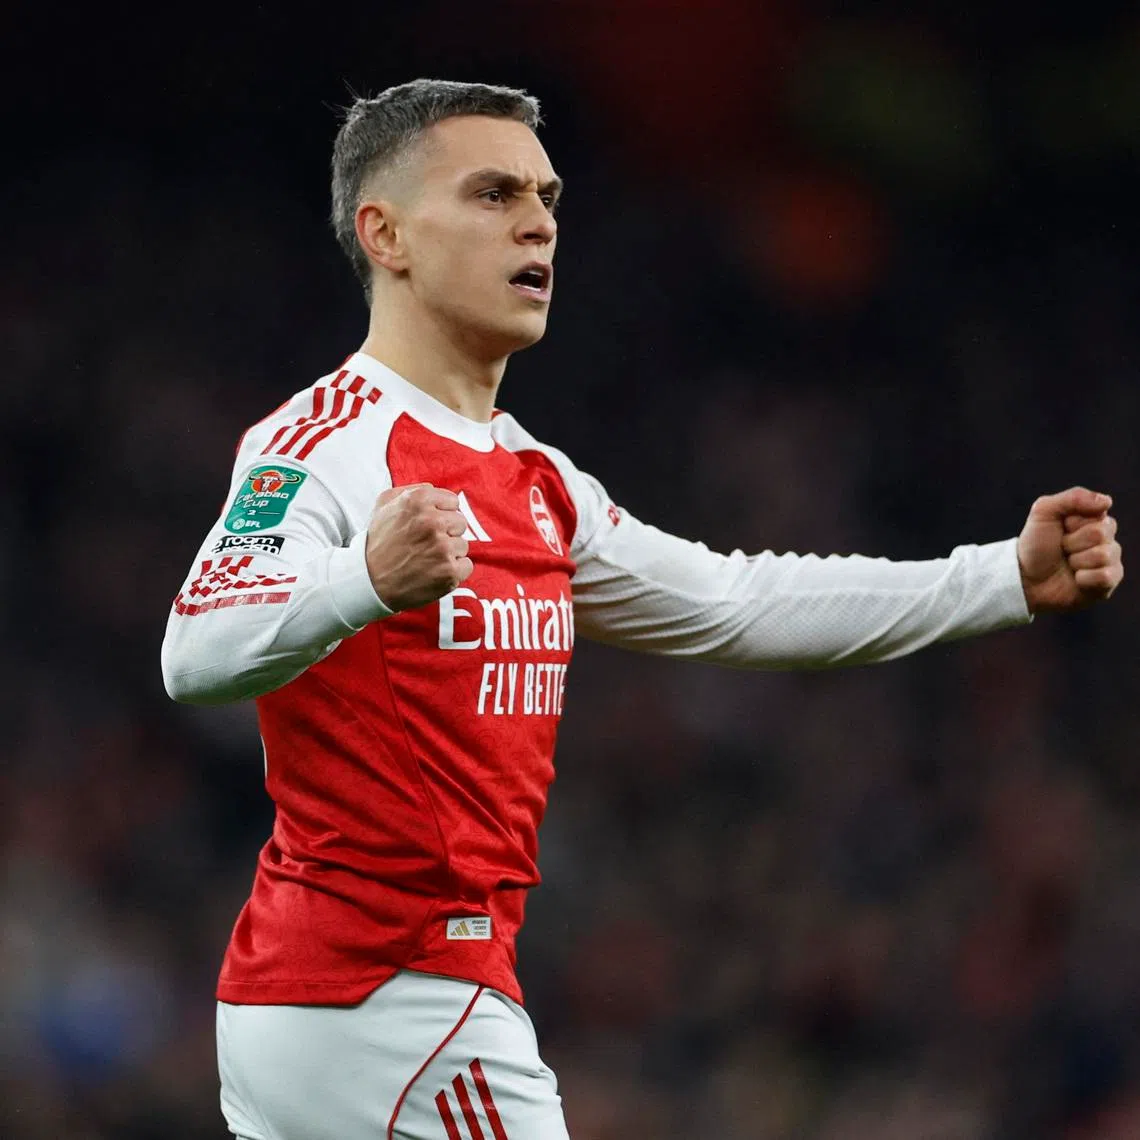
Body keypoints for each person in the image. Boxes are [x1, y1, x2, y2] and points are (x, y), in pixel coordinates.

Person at [160, 78, 1123, 1140]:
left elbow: (737, 600)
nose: (538, 222)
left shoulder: (537, 481)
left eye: (548, 196)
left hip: (353, 1002)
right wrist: (364, 582)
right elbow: (195, 650)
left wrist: (1000, 579)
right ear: (383, 233)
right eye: (491, 193)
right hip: (385, 999)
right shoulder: (324, 442)